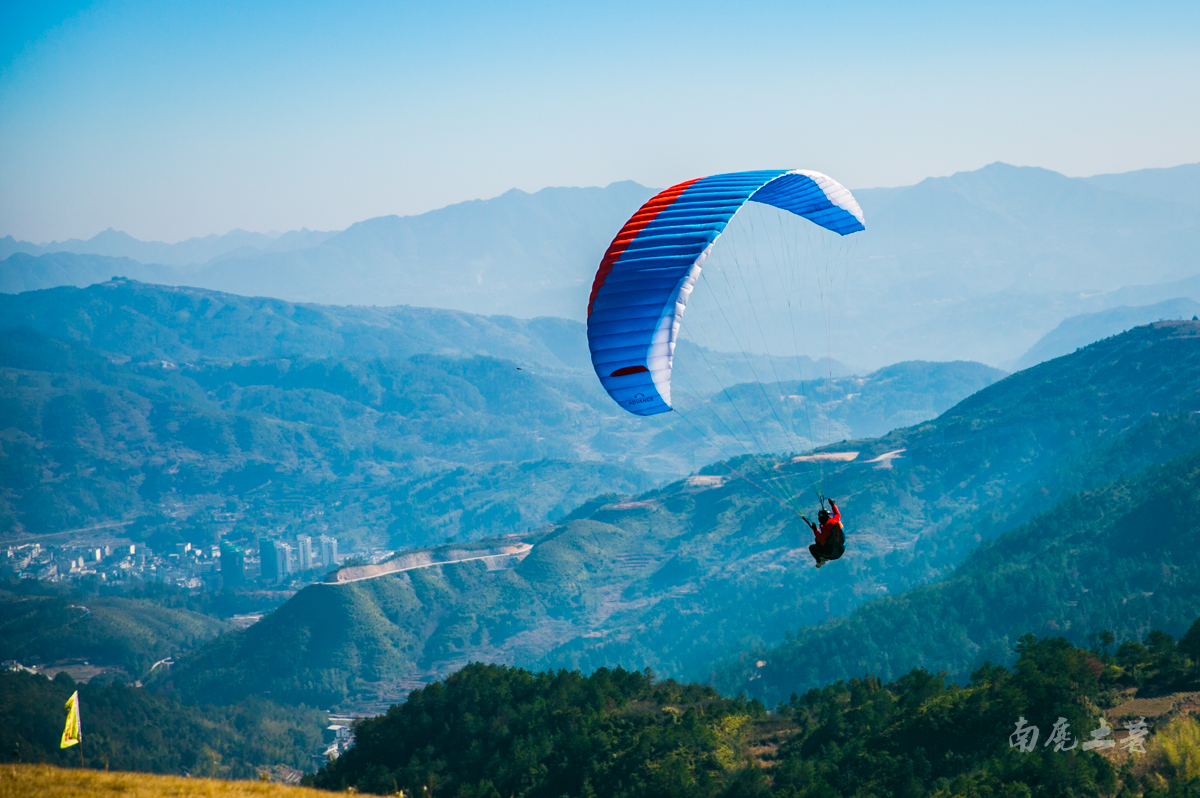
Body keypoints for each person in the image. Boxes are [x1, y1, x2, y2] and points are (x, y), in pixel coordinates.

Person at [802, 497, 844, 568]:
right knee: (817, 541)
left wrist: (815, 529)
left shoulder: (827, 527)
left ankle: (820, 561)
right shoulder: (834, 520)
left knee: (812, 548)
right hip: (840, 548)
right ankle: (825, 556)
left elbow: (820, 539)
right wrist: (832, 505)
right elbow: (837, 514)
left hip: (834, 552)